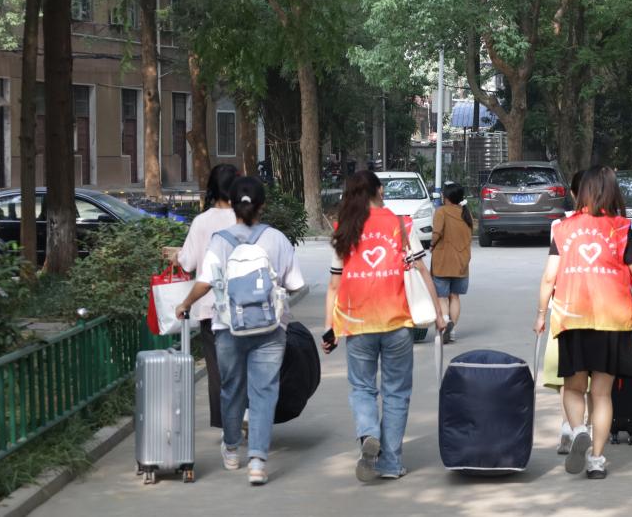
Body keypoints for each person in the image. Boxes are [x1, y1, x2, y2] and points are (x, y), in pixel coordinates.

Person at [534, 165, 632, 480]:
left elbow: (549, 277)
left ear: (582, 192)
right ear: (612, 192)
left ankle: (577, 430)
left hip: (573, 318)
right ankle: (597, 460)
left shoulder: (564, 229)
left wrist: (542, 313)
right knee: (601, 394)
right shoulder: (621, 229)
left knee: (573, 388)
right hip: (613, 321)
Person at [175, 176, 306, 486]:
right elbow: (296, 284)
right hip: (270, 329)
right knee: (264, 392)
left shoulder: (220, 241)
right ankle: (258, 461)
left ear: (232, 206)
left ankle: (232, 448)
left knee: (231, 389)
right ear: (263, 205)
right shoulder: (276, 239)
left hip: (228, 328)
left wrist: (185, 303)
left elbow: (205, 282)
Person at [323, 171, 445, 482]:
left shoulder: (344, 228)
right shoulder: (400, 223)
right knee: (396, 392)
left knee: (362, 388)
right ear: (379, 190)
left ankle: (368, 434)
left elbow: (334, 285)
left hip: (357, 323)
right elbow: (421, 270)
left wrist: (329, 328)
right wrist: (439, 313)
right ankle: (390, 462)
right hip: (397, 322)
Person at [169, 164, 238, 431]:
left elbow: (188, 263)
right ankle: (245, 415)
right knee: (244, 364)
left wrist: (176, 257)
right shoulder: (243, 218)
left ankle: (225, 425)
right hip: (246, 305)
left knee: (217, 368)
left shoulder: (201, 222)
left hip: (211, 307)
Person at [542, 169, 584, 455]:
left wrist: (540, 311)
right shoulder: (610, 225)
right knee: (592, 381)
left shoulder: (559, 226)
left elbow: (550, 275)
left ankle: (568, 427)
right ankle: (584, 428)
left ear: (572, 193)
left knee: (565, 376)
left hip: (564, 308)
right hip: (599, 310)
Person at [429, 182, 472, 342]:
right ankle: (452, 330)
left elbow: (437, 232)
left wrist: (431, 245)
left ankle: (446, 322)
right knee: (455, 296)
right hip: (462, 262)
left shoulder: (441, 211)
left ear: (446, 197)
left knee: (442, 297)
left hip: (443, 261)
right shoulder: (466, 213)